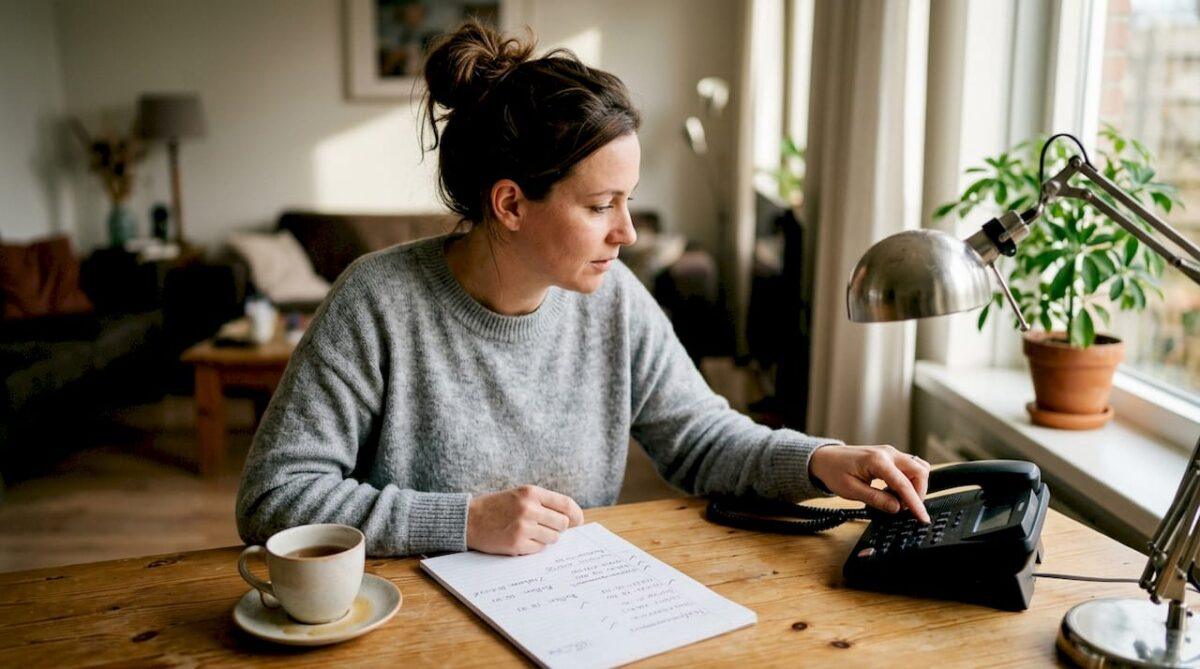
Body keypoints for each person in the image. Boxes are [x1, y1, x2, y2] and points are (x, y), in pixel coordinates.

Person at [236, 19, 930, 558]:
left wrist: (818, 458)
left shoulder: (614, 299)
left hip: (569, 616)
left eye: (628, 201)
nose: (626, 230)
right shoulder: (377, 302)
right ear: (510, 205)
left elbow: (699, 437)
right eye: (601, 206)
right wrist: (466, 520)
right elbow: (276, 495)